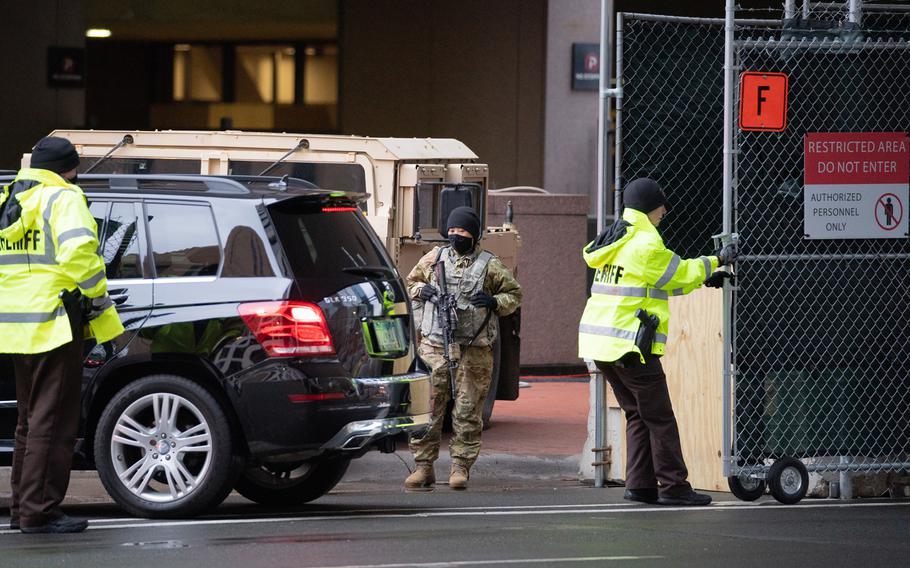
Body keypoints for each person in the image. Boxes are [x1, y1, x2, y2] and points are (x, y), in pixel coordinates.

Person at [578, 178, 736, 507]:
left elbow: (656, 283)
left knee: (637, 414)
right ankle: (674, 486)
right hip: (632, 345)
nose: (664, 211)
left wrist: (703, 277)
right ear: (650, 207)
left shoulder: (615, 239)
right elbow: (677, 273)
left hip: (603, 347)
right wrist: (716, 261)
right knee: (660, 418)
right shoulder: (645, 243)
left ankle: (640, 485)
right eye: (660, 205)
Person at [0, 136, 124, 533]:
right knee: (52, 422)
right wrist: (98, 294)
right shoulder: (63, 197)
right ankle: (41, 512)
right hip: (54, 322)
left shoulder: (10, 198)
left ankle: (23, 508)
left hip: (16, 325)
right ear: (69, 168)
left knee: (28, 422)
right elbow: (78, 255)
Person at [405, 206, 522, 491]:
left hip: (474, 350)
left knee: (468, 410)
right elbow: (410, 283)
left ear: (475, 235)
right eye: (453, 231)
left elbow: (514, 294)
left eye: (464, 232)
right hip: (434, 346)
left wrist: (494, 302)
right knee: (429, 407)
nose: (457, 236)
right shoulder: (435, 258)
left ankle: (460, 467)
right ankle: (423, 467)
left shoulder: (489, 265)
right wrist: (425, 291)